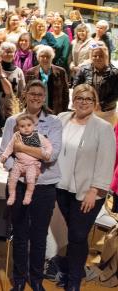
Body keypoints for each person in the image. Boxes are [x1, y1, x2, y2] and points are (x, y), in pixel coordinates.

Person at [1, 80, 62, 291]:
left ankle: (36, 278)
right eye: (32, 93)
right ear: (25, 95)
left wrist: (21, 146)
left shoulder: (54, 122)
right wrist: (18, 170)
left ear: (44, 97)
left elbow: (51, 155)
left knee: (38, 234)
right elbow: (6, 154)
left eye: (40, 94)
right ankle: (19, 277)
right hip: (19, 185)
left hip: (45, 186)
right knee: (19, 233)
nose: (36, 97)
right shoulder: (12, 121)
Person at [56, 84, 116, 291]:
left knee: (78, 235)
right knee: (73, 231)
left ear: (95, 102)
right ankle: (77, 268)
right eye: (79, 97)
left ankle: (73, 281)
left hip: (88, 192)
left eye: (88, 99)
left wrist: (94, 191)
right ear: (73, 100)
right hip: (61, 188)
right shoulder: (62, 119)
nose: (83, 101)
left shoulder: (103, 127)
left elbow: (106, 162)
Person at [0, 113, 53, 205]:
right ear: (18, 127)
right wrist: (5, 155)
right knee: (12, 179)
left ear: (34, 125)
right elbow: (10, 146)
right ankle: (12, 196)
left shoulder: (38, 136)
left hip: (32, 164)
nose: (26, 128)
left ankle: (28, 196)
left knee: (30, 180)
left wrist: (47, 153)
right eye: (22, 126)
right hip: (18, 163)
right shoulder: (17, 135)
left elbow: (48, 145)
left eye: (29, 125)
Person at [72, 44, 118, 125]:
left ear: (106, 57)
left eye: (101, 55)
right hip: (86, 110)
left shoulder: (114, 72)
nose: (97, 58)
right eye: (95, 56)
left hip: (107, 112)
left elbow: (116, 93)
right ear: (91, 57)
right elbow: (76, 87)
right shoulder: (83, 70)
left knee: (105, 135)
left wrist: (101, 105)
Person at [25, 45, 70, 115]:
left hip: (56, 111)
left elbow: (65, 93)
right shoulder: (30, 72)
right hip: (35, 111)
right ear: (38, 58)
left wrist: (64, 112)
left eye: (48, 56)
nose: (45, 59)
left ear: (52, 58)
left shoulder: (61, 72)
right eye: (42, 56)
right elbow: (26, 92)